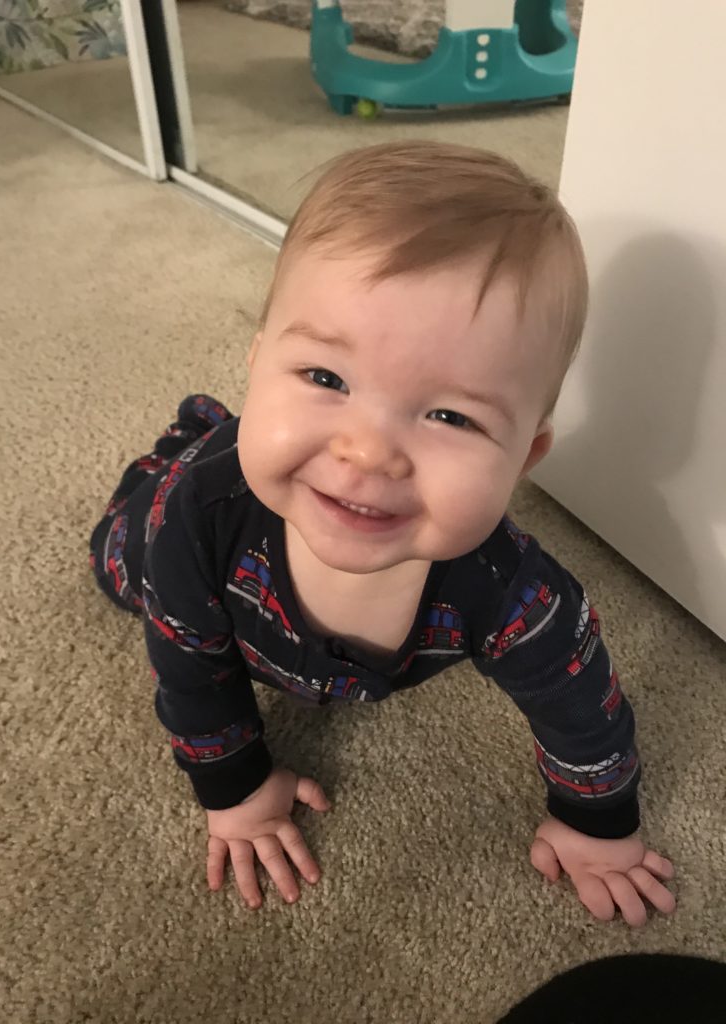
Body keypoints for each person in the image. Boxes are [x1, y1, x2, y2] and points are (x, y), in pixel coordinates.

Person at [89, 141, 676, 925]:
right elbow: (189, 670)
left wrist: (600, 825)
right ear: (259, 364)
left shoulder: (514, 593)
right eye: (325, 379)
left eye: (450, 416)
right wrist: (235, 788)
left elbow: (583, 707)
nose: (367, 452)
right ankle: (188, 440)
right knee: (117, 568)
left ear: (525, 458)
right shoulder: (198, 518)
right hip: (182, 510)